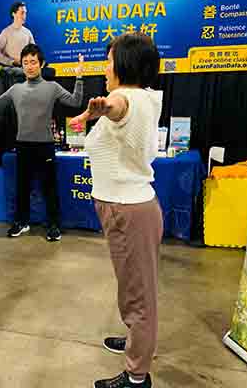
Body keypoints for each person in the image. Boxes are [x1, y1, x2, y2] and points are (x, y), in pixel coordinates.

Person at [69, 33, 163, 388]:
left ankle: (137, 377)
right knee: (133, 287)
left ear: (124, 64)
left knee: (139, 296)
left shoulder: (126, 98)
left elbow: (118, 106)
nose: (105, 68)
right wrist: (90, 114)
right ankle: (137, 339)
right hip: (127, 208)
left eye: (109, 61)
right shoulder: (144, 98)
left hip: (128, 211)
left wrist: (104, 107)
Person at [0, 44, 84, 242]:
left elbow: (76, 101)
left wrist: (79, 76)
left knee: (49, 188)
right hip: (23, 145)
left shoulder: (52, 87)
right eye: (25, 62)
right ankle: (21, 222)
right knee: (22, 187)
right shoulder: (16, 89)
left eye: (33, 62)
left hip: (45, 145)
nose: (29, 66)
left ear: (41, 64)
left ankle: (53, 225)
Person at [0, 1, 34, 67]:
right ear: (13, 14)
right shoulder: (6, 32)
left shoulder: (28, 32)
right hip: (11, 68)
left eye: (25, 13)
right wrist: (11, 62)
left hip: (25, 67)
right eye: (22, 13)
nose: (24, 16)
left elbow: (34, 51)